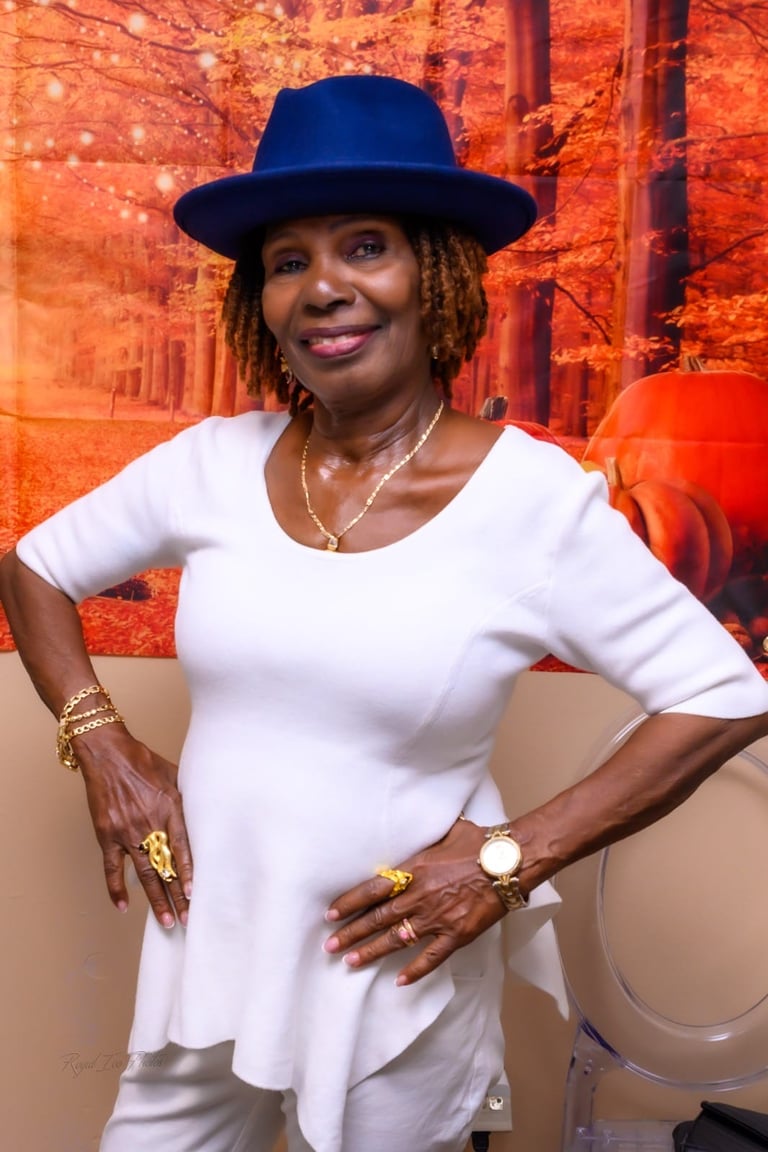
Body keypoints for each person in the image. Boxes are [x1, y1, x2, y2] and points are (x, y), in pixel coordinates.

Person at [1, 74, 767, 1152]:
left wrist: (508, 860)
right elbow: (34, 567)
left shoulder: (531, 503)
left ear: (437, 274)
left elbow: (725, 694)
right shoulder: (209, 466)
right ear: (260, 303)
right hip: (207, 952)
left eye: (366, 248)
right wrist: (104, 745)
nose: (323, 288)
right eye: (288, 262)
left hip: (394, 977)